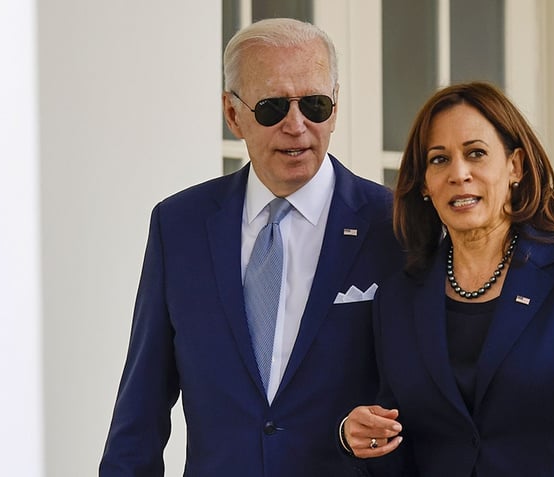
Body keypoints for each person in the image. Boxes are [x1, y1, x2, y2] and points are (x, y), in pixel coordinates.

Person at [99, 18, 403, 476]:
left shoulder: (394, 225)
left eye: (316, 105)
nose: (297, 125)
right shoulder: (179, 226)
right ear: (232, 113)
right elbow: (140, 407)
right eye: (272, 107)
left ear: (335, 108)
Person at [342, 81, 554, 476]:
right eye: (439, 160)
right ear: (425, 183)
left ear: (515, 166)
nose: (459, 173)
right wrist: (359, 437)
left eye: (476, 154)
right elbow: (397, 437)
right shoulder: (397, 297)